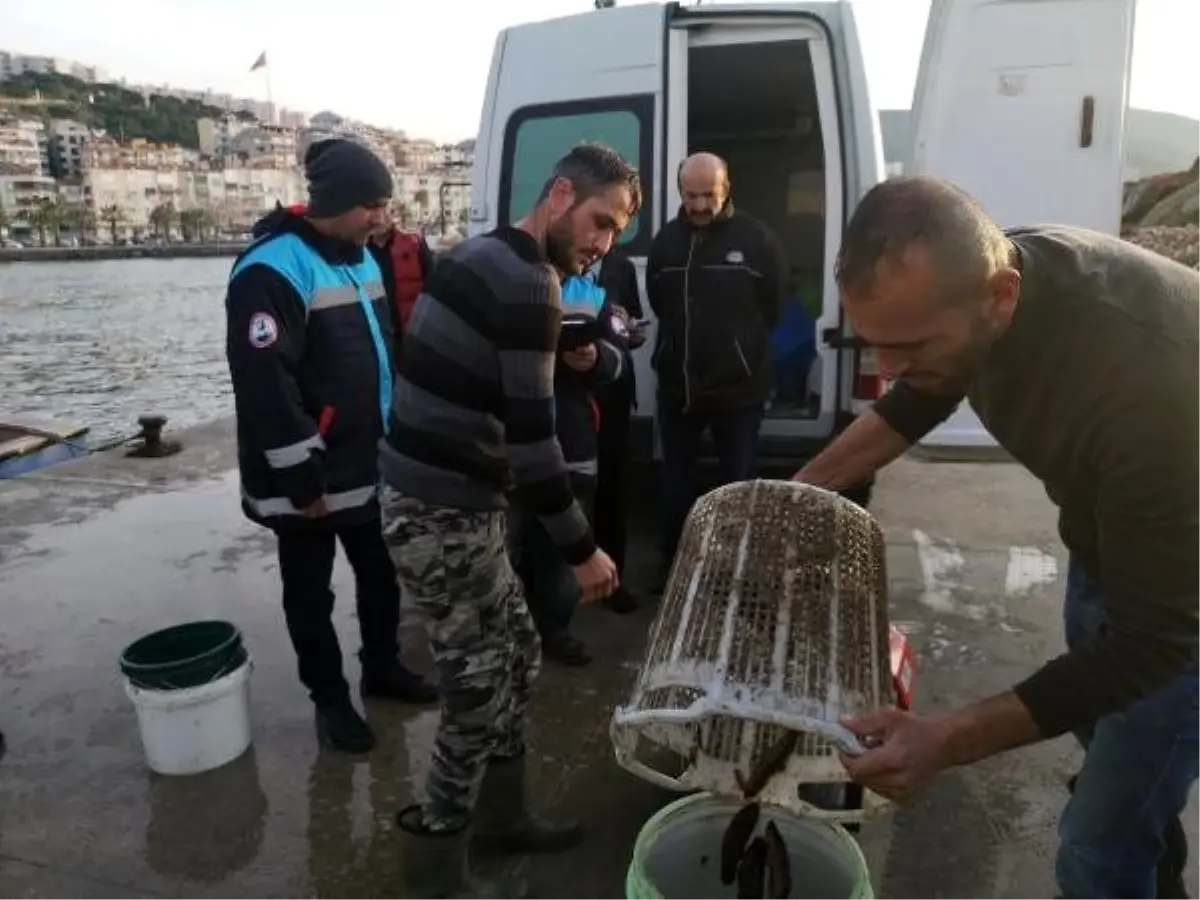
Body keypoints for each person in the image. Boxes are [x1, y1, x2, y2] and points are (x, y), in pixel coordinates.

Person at [796, 175, 1200, 900]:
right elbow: (917, 397)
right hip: (1106, 555)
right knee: (1111, 754)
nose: (887, 370)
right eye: (875, 345)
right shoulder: (980, 296)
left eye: (909, 345)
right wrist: (794, 498)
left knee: (1094, 853)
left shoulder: (1146, 387)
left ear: (1001, 297)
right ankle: (1153, 855)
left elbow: (1154, 642)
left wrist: (947, 739)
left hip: (1181, 610)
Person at [378, 142, 638, 898]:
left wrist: (596, 360)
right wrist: (583, 551)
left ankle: (500, 819)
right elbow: (533, 442)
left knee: (520, 650)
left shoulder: (482, 254)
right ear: (559, 195)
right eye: (599, 221)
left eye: (616, 232)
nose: (603, 244)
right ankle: (437, 872)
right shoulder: (530, 282)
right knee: (472, 694)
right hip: (437, 512)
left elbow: (526, 361)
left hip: (456, 503)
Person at [224, 138, 436, 755]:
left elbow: (382, 354)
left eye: (385, 203)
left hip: (367, 462)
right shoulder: (270, 270)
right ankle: (330, 701)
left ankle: (381, 667)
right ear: (336, 201)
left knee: (379, 574)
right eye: (371, 204)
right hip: (309, 477)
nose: (382, 217)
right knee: (310, 593)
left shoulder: (360, 258)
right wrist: (302, 479)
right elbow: (264, 384)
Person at [647, 151, 786, 589]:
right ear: (680, 192)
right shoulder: (665, 242)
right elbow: (658, 301)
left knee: (738, 488)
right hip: (678, 389)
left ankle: (736, 574)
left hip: (739, 392)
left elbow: (775, 307)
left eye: (709, 194)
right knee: (674, 485)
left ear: (726, 190)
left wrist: (737, 350)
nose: (701, 205)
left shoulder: (757, 239)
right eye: (692, 195)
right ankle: (673, 568)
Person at [508, 266, 627, 666]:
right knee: (505, 545)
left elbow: (619, 356)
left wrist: (595, 358)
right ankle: (509, 633)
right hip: (507, 445)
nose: (598, 245)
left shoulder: (592, 294)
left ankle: (555, 630)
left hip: (571, 443)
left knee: (563, 549)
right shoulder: (504, 276)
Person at [592, 248, 646, 614]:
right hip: (569, 396)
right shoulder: (548, 264)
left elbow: (633, 330)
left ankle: (613, 581)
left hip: (615, 395)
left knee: (613, 488)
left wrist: (629, 330)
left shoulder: (620, 266)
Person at [368, 219, 435, 358]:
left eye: (384, 208)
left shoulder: (413, 244)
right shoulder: (356, 251)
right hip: (374, 337)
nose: (379, 217)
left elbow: (433, 287)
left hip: (410, 333)